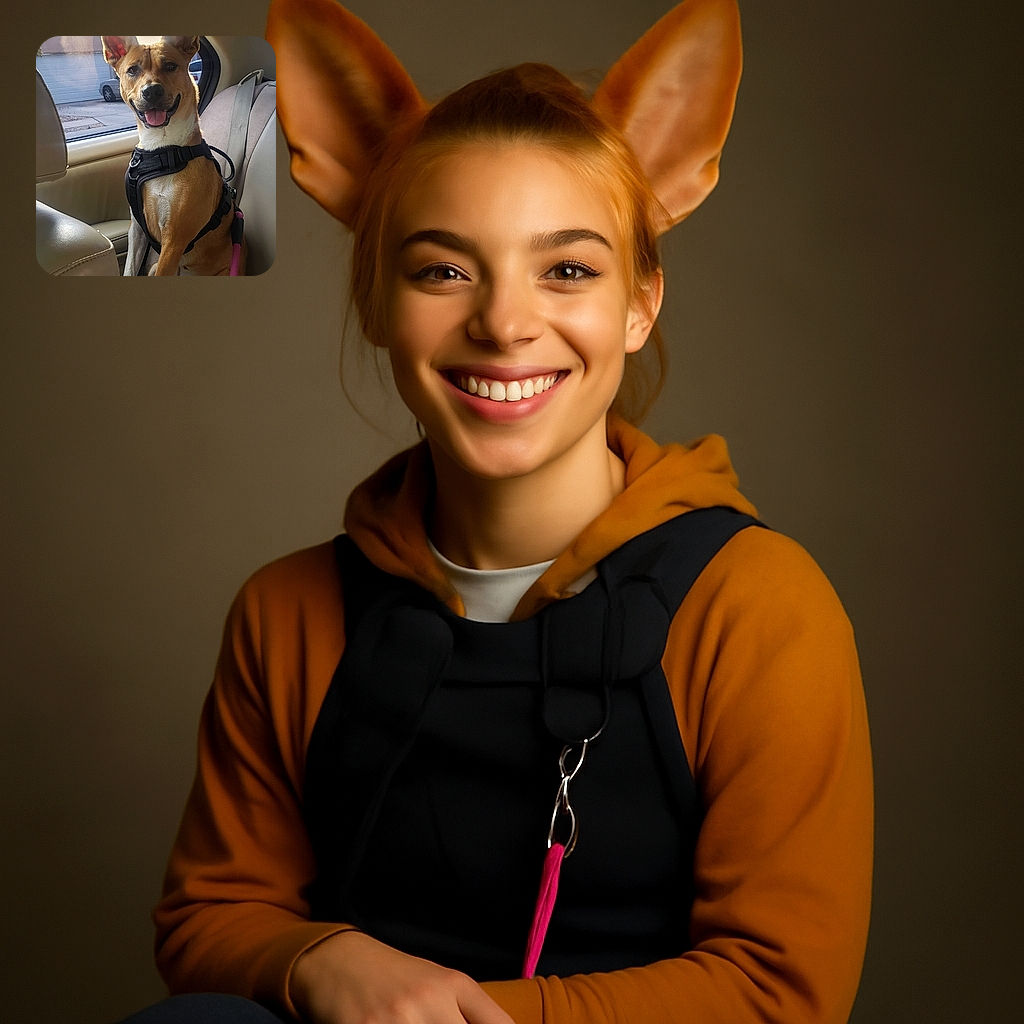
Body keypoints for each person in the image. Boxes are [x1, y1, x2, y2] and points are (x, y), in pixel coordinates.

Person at [124, 1, 873, 1021]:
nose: (505, 322)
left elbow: (781, 989)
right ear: (377, 301)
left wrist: (465, 1018)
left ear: (640, 302)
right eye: (442, 269)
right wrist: (320, 962)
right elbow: (209, 918)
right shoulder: (288, 613)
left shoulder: (758, 609)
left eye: (567, 269)